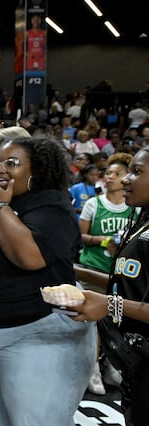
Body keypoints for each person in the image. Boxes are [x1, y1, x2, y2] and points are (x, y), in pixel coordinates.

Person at [0, 136, 96, 426]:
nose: (0, 170)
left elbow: (29, 256)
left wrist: (1, 207)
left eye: (11, 163)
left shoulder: (52, 205)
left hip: (38, 333)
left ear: (37, 170)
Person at [71, 146, 149, 425]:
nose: (127, 179)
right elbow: (130, 284)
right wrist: (77, 274)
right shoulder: (141, 222)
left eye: (137, 172)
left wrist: (107, 304)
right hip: (136, 360)